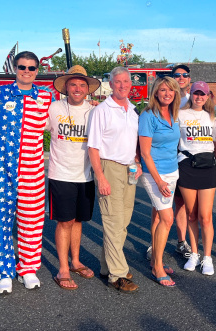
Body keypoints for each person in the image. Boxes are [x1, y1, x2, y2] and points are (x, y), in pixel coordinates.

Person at [0, 51, 54, 293]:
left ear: (37, 70)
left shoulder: (45, 96)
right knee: (1, 220)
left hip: (32, 167)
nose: (26, 71)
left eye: (32, 68)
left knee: (31, 221)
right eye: (22, 66)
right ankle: (4, 271)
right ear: (14, 67)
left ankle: (28, 268)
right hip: (3, 168)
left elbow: (69, 111)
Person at [88, 67, 142, 293]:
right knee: (112, 221)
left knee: (122, 223)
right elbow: (93, 147)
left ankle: (106, 266)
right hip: (109, 167)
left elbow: (135, 142)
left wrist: (137, 162)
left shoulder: (133, 110)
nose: (122, 85)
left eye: (126, 82)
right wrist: (100, 176)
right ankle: (117, 274)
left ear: (131, 84)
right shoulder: (102, 110)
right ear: (110, 84)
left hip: (129, 169)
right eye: (117, 82)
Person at [46, 65, 101, 289]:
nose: (77, 88)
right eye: (73, 84)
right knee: (64, 221)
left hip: (86, 175)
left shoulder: (95, 111)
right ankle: (62, 269)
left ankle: (76, 260)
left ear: (87, 89)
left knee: (78, 220)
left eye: (81, 85)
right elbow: (32, 128)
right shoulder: (53, 108)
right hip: (61, 173)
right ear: (66, 87)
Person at [138, 77, 181, 287]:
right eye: (163, 90)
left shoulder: (174, 114)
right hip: (155, 175)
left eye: (171, 90)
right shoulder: (148, 115)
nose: (167, 93)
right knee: (167, 219)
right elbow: (145, 153)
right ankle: (157, 268)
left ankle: (157, 260)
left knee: (157, 216)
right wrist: (159, 181)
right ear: (155, 92)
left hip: (173, 171)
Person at [177, 81, 216, 276]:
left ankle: (207, 257)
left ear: (208, 96)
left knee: (206, 216)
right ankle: (195, 253)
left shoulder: (212, 117)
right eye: (196, 93)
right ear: (190, 94)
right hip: (186, 165)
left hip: (207, 167)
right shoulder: (180, 115)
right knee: (191, 214)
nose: (199, 97)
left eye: (203, 94)